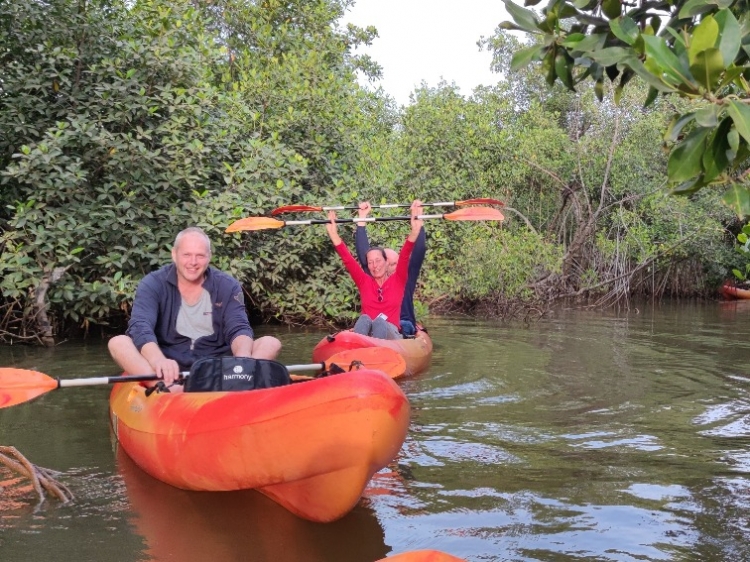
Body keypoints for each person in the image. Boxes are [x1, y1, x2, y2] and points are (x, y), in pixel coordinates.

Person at [108, 226, 281, 386]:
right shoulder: (152, 284)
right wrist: (158, 361)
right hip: (168, 367)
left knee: (270, 342)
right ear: (174, 254)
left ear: (209, 257)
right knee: (118, 343)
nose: (193, 262)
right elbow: (140, 327)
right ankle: (165, 388)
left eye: (200, 255)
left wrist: (243, 359)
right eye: (186, 255)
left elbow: (238, 328)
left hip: (218, 367)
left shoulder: (228, 285)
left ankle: (239, 381)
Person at [326, 201, 423, 340]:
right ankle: (359, 351)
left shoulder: (398, 279)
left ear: (386, 262)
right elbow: (348, 259)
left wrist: (415, 231)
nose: (374, 265)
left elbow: (405, 254)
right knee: (365, 319)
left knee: (379, 322)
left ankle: (376, 352)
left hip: (392, 334)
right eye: (370, 262)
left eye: (378, 260)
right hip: (367, 335)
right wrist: (333, 234)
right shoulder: (364, 281)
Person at [354, 201, 426, 336]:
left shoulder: (405, 277)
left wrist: (418, 222)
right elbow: (364, 256)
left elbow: (419, 252)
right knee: (371, 322)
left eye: (396, 263)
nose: (393, 267)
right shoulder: (374, 277)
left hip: (402, 324)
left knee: (402, 324)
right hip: (375, 323)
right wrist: (361, 221)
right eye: (390, 263)